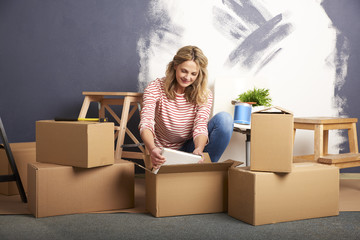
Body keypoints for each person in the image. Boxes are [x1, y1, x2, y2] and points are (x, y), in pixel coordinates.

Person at [139, 45, 233, 169]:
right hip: (164, 152)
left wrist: (199, 149)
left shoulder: (204, 94)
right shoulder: (155, 87)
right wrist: (152, 149)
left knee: (225, 119)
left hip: (190, 148)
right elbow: (146, 122)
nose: (188, 78)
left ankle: (204, 171)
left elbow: (200, 125)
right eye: (184, 71)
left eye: (193, 74)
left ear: (199, 74)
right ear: (175, 66)